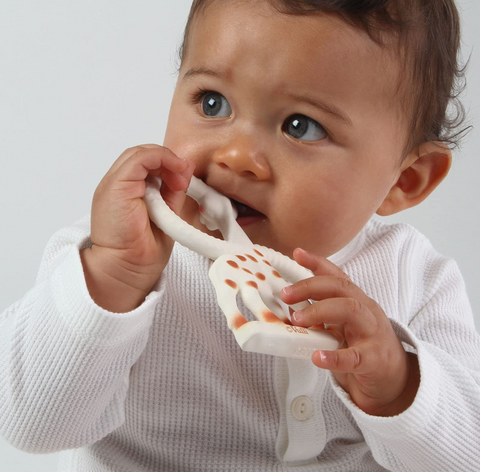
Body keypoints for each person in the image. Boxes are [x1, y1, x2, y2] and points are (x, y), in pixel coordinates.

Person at [1, 0, 479, 470]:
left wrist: (400, 386)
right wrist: (111, 282)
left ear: (404, 180)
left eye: (301, 126)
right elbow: (27, 424)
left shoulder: (418, 278)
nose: (236, 156)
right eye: (213, 103)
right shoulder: (113, 254)